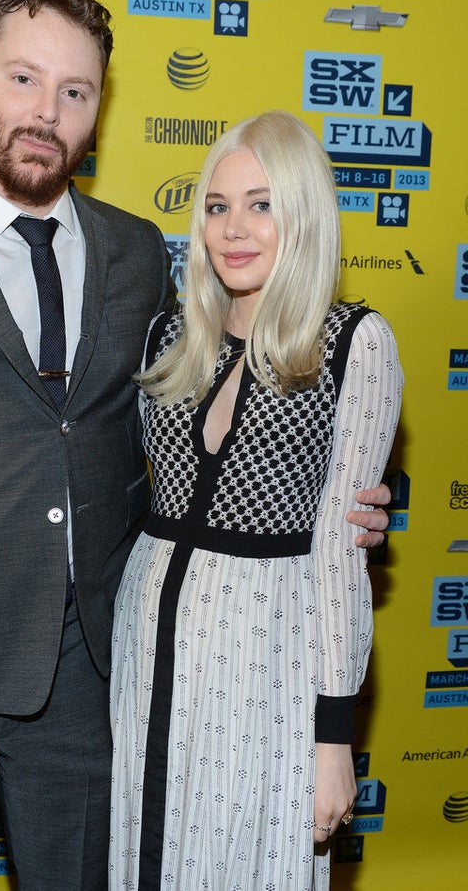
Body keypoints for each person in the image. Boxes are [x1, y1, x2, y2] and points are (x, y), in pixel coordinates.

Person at [0, 0, 390, 891]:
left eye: (74, 91)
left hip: (95, 679)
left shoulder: (136, 253)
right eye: (22, 78)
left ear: (98, 107)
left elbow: (203, 431)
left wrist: (347, 501)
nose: (46, 112)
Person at [109, 111, 403, 890]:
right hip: (150, 641)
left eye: (262, 203)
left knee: (253, 860)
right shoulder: (168, 334)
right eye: (217, 205)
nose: (234, 228)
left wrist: (333, 738)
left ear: (303, 212)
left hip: (269, 653)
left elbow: (343, 556)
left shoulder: (351, 342)